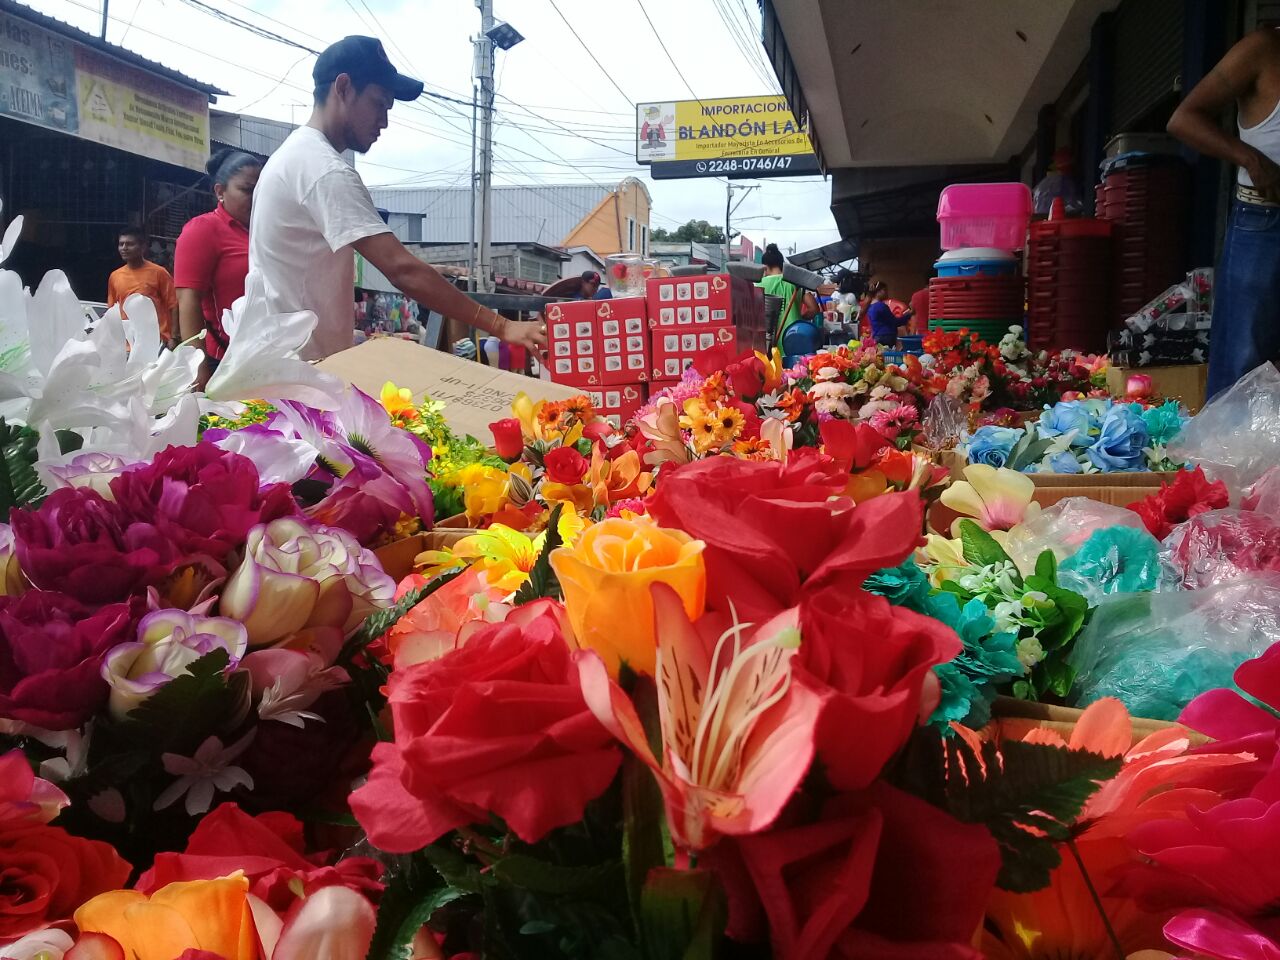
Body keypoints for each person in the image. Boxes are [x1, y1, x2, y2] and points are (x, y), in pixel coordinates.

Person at [248, 35, 545, 361]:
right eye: (379, 103)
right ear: (344, 87)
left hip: (285, 366)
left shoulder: (293, 157)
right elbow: (403, 270)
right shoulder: (322, 169)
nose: (385, 121)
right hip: (298, 377)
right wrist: (502, 326)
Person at [1168, 26, 1280, 398]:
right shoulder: (1264, 48)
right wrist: (1251, 159)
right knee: (1242, 363)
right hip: (1265, 222)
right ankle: (1225, 456)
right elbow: (1184, 119)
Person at [174, 149, 261, 384]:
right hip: (222, 363)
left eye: (261, 190)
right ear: (220, 191)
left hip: (262, 361)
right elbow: (187, 301)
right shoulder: (203, 229)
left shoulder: (260, 232)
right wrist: (198, 372)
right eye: (247, 190)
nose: (256, 198)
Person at [107, 227, 178, 349]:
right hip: (126, 345)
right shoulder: (115, 276)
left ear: (143, 247)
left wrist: (174, 337)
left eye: (129, 244)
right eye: (121, 244)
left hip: (156, 343)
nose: (124, 248)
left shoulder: (159, 273)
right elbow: (112, 310)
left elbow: (174, 305)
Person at [759, 243, 818, 356]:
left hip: (767, 344)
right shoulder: (795, 283)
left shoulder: (758, 284)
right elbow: (814, 308)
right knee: (795, 373)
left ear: (765, 266)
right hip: (793, 339)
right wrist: (800, 318)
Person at [866, 282, 912, 348]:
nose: (886, 293)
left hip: (876, 336)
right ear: (878, 292)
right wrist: (908, 315)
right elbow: (895, 322)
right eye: (885, 290)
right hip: (886, 337)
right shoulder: (881, 306)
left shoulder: (870, 307)